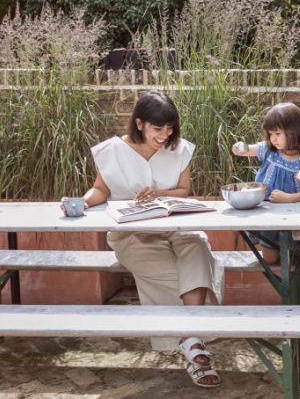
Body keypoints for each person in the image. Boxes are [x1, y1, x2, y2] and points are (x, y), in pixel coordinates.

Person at [64, 91, 224, 389]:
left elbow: (184, 191)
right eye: (157, 129)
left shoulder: (180, 149)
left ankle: (189, 337)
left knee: (197, 246)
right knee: (163, 266)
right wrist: (83, 203)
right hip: (131, 232)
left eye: (169, 128)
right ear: (139, 123)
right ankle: (194, 341)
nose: (165, 135)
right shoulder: (110, 151)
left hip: (173, 223)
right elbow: (100, 190)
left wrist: (159, 194)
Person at [231, 102, 300, 264]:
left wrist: (289, 197)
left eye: (278, 134)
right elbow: (248, 149)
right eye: (270, 134)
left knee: (296, 261)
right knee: (270, 260)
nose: (273, 139)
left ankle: (290, 276)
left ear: (294, 132)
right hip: (267, 216)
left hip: (295, 219)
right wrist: (240, 147)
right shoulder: (268, 151)